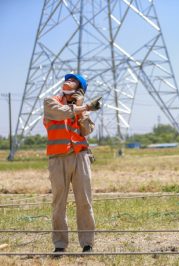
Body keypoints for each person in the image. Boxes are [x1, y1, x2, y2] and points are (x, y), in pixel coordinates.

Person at [43, 73, 101, 254]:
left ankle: (87, 244)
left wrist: (81, 108)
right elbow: (61, 113)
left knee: (84, 201)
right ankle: (60, 245)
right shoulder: (50, 102)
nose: (69, 80)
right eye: (68, 79)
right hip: (57, 158)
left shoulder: (81, 107)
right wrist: (85, 106)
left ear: (79, 89)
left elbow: (87, 130)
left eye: (74, 80)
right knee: (58, 202)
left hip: (80, 157)